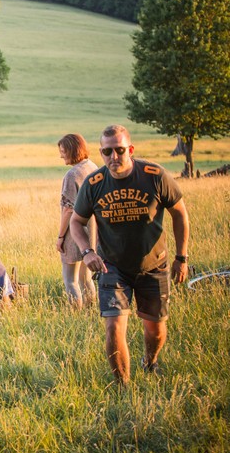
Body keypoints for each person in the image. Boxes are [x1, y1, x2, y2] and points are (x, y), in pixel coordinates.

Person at [70, 124, 190, 384]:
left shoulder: (154, 175)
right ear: (100, 152)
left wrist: (182, 258)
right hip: (111, 266)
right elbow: (76, 222)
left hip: (153, 265)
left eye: (119, 150)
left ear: (130, 149)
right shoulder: (94, 184)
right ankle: (122, 386)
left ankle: (150, 361)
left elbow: (179, 213)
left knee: (155, 330)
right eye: (107, 151)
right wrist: (88, 251)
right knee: (113, 327)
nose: (114, 157)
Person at [56, 133, 98, 308]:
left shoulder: (72, 175)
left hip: (75, 232)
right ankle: (91, 311)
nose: (61, 155)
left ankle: (76, 315)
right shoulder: (92, 167)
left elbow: (68, 210)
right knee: (86, 278)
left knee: (70, 280)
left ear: (73, 150)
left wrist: (60, 237)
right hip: (93, 230)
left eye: (63, 151)